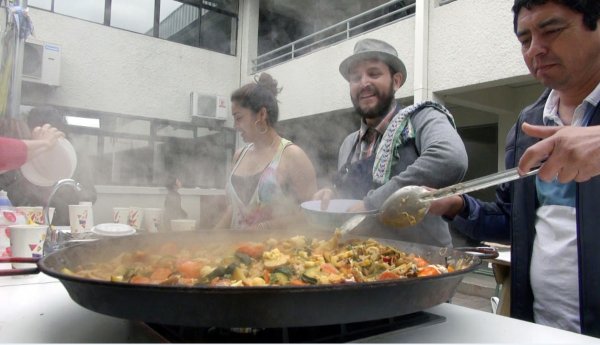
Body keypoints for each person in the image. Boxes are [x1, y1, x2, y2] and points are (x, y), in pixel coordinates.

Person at [427, 0, 600, 337]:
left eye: (551, 30)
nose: (536, 49)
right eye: (524, 40)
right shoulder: (528, 125)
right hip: (540, 328)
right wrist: (458, 206)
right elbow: (514, 222)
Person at [313, 38, 468, 247]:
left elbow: (450, 158)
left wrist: (372, 204)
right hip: (360, 262)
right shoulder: (349, 144)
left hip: (424, 264)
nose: (364, 83)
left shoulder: (422, 119)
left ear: (396, 81)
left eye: (374, 73)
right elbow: (353, 202)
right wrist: (333, 195)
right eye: (356, 77)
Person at [214, 73, 318, 231]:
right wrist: (210, 237)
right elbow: (233, 209)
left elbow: (313, 215)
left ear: (261, 115)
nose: (235, 126)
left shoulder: (291, 156)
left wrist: (265, 227)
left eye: (239, 117)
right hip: (235, 252)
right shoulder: (239, 155)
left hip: (278, 253)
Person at [5, 106, 97, 225]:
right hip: (27, 228)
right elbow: (7, 195)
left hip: (65, 227)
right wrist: (29, 191)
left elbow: (90, 195)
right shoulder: (21, 158)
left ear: (61, 135)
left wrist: (60, 198)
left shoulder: (74, 158)